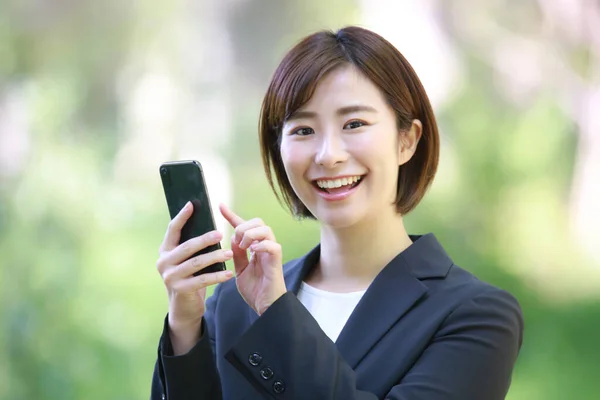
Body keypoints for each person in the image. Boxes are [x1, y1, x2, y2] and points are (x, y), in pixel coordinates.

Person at [150, 26, 524, 400]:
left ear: (406, 140)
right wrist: (184, 323)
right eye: (303, 130)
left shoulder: (476, 315)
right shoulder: (232, 305)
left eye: (354, 124)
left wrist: (278, 314)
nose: (328, 155)